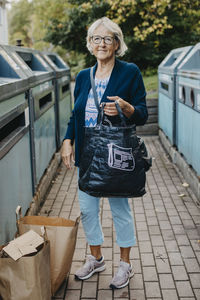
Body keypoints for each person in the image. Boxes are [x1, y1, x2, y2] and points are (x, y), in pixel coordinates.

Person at [61, 17, 148, 289]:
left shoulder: (129, 72)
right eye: (96, 39)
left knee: (119, 208)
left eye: (108, 38)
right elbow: (76, 115)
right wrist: (67, 140)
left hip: (115, 153)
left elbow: (143, 114)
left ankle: (125, 265)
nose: (102, 43)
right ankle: (96, 258)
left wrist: (127, 108)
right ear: (90, 44)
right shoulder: (83, 76)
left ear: (116, 43)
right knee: (88, 210)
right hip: (87, 154)